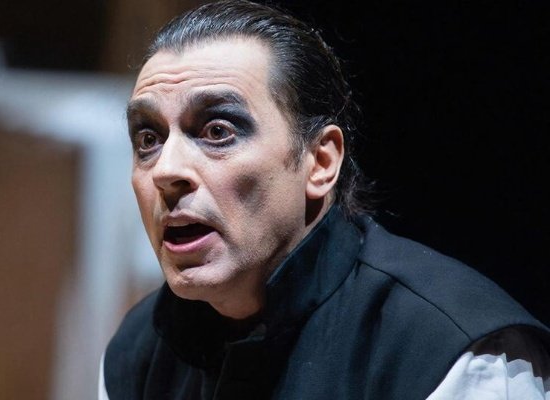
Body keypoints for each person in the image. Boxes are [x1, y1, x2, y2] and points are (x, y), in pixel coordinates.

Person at [101, 1, 550, 398]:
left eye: (218, 131)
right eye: (149, 139)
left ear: (320, 161)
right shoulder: (138, 351)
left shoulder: (447, 349)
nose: (166, 171)